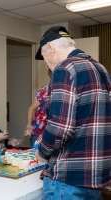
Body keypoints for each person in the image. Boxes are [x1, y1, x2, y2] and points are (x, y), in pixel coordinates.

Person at [34, 26, 111, 200]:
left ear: (51, 48)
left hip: (68, 178)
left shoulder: (65, 68)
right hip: (95, 175)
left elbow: (60, 127)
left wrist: (42, 152)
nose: (46, 64)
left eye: (45, 58)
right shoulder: (101, 68)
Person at [23, 69, 51, 147]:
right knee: (35, 157)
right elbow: (32, 109)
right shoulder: (45, 90)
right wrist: (29, 126)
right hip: (38, 132)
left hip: (55, 133)